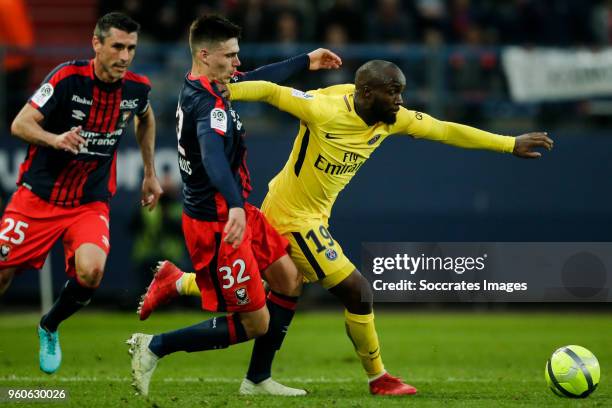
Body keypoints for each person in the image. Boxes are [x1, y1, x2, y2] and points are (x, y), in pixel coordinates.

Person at [147, 59, 554, 396]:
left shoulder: (392, 119)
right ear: (366, 94)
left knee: (277, 290)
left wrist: (507, 143)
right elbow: (272, 91)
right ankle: (379, 378)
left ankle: (197, 306)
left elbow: (444, 130)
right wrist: (220, 93)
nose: (400, 100)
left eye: (401, 91)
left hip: (310, 214)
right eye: (393, 92)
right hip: (292, 218)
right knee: (358, 291)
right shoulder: (323, 109)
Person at [127, 15, 342, 397]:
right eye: (230, 56)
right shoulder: (208, 105)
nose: (237, 63)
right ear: (205, 55)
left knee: (289, 279)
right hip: (218, 224)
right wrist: (236, 207)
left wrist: (307, 60)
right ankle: (154, 345)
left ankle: (257, 379)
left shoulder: (213, 83)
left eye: (237, 54)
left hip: (238, 211)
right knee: (255, 323)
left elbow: (261, 76)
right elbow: (211, 157)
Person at [0, 12, 163, 374]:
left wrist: (150, 174)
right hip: (37, 198)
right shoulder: (66, 78)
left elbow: (146, 117)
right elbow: (20, 123)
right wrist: (55, 139)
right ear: (96, 44)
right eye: (117, 46)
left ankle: (49, 325)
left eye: (131, 48)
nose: (124, 56)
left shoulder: (136, 88)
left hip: (88, 203)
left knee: (91, 273)